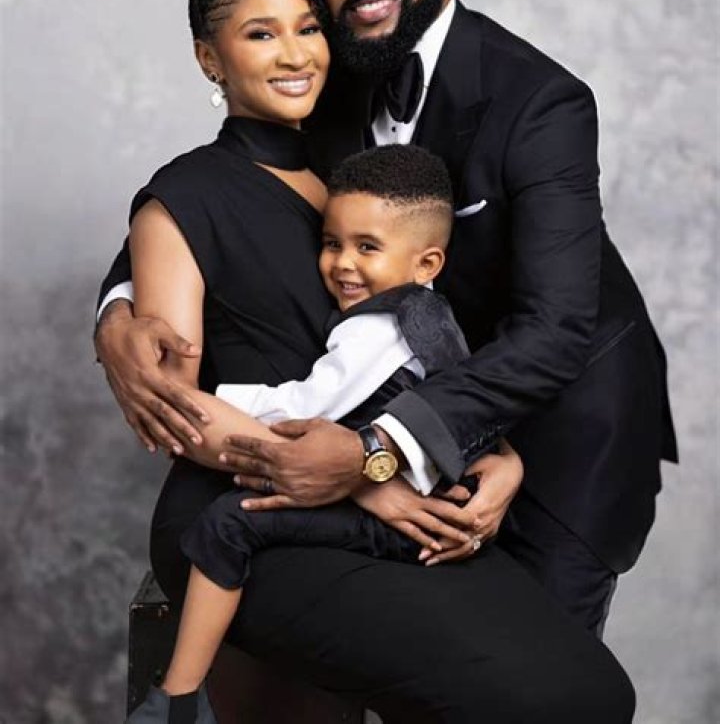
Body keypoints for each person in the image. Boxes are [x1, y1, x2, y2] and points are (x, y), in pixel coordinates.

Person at [99, 0, 635, 723]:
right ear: (210, 56)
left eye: (309, 28)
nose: (295, 54)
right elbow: (183, 414)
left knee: (593, 690)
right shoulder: (183, 194)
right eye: (260, 34)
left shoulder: (353, 173)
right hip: (245, 514)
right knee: (539, 700)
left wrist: (485, 455)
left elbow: (415, 343)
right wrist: (357, 481)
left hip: (369, 494)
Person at [129, 144, 520, 724]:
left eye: (367, 248)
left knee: (229, 523)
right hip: (424, 497)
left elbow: (305, 408)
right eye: (332, 243)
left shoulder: (378, 328)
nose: (342, 264)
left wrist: (215, 399)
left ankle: (178, 700)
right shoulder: (429, 313)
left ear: (427, 263)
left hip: (406, 516)